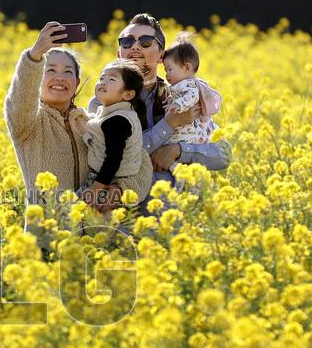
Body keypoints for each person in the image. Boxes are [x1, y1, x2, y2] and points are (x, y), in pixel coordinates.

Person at [88, 13, 232, 210]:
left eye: (146, 42)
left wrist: (179, 151)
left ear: (162, 55)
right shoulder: (103, 102)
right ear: (118, 54)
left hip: (181, 216)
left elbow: (223, 154)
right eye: (127, 42)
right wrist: (169, 124)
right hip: (128, 220)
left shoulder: (180, 95)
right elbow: (114, 156)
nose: (135, 47)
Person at [4, 21, 118, 215]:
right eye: (50, 70)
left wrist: (119, 191)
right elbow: (20, 102)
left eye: (67, 72)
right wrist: (34, 56)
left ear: (76, 82)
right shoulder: (28, 125)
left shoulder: (91, 124)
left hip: (96, 237)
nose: (60, 77)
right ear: (37, 78)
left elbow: (128, 161)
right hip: (47, 237)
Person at [75, 59, 152, 210]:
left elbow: (113, 159)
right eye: (101, 78)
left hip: (108, 182)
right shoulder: (116, 113)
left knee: (75, 211)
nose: (103, 82)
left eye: (111, 79)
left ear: (128, 95)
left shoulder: (117, 121)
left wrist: (96, 188)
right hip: (108, 180)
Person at [161, 34, 223, 173]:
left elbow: (191, 97)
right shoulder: (182, 84)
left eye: (169, 69)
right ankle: (182, 175)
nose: (166, 74)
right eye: (165, 70)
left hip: (188, 132)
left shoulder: (189, 85)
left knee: (169, 148)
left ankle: (183, 175)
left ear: (187, 67)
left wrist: (178, 105)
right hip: (185, 130)